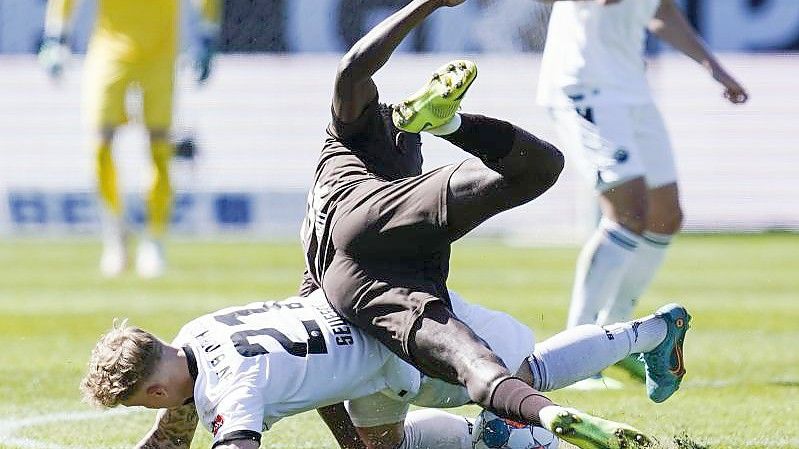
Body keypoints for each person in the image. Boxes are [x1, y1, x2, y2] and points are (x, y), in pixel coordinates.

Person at [290, 0, 691, 447]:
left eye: (412, 130)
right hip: (371, 289)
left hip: (379, 300)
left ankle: (619, 358)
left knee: (499, 374)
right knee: (498, 382)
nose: (406, 136)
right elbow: (351, 71)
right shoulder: (353, 140)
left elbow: (316, 329)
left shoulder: (333, 214)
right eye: (400, 125)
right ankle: (500, 430)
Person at [81, 288, 690, 449]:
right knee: (382, 446)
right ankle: (497, 434)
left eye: (144, 402)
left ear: (158, 389)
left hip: (399, 353)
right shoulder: (197, 332)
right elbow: (171, 438)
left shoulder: (228, 394)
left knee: (526, 377)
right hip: (374, 320)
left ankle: (656, 331)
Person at [535, 0, 747, 387]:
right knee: (626, 212)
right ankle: (576, 354)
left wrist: (713, 68)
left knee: (667, 216)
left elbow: (661, 10)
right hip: (584, 85)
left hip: (630, 87)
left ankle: (614, 340)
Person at [39, 0, 221, 278]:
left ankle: (155, 239)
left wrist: (208, 34)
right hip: (109, 51)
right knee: (99, 144)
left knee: (159, 147)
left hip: (159, 54)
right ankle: (115, 233)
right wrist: (56, 36)